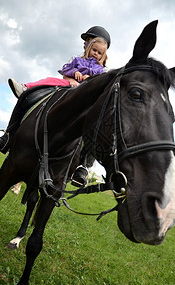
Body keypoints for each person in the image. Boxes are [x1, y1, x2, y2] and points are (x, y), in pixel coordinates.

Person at [0, 26, 111, 186]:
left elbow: (99, 88)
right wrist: (73, 77)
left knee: (98, 123)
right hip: (68, 86)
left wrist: (88, 81)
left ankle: (83, 166)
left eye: (98, 51)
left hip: (86, 99)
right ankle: (10, 132)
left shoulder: (102, 71)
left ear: (103, 54)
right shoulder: (77, 60)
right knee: (46, 84)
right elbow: (65, 73)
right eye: (88, 43)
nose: (90, 49)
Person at [9, 26, 111, 98]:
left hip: (89, 91)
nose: (84, 42)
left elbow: (103, 82)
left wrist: (90, 79)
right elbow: (65, 70)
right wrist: (74, 75)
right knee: (51, 80)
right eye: (86, 40)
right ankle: (26, 88)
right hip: (70, 84)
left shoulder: (103, 70)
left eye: (88, 40)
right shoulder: (76, 59)